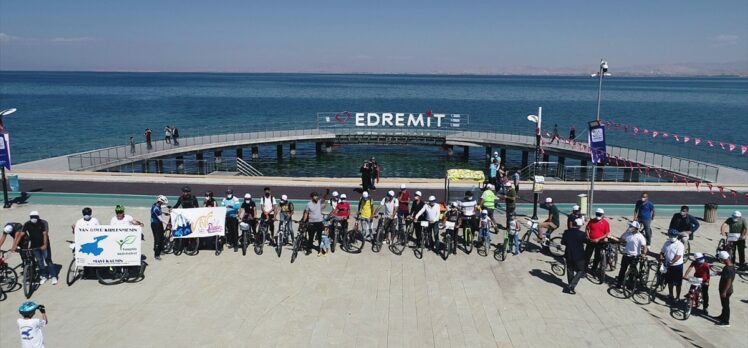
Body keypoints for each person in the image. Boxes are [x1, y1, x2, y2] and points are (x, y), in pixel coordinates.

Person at [17, 211, 57, 285]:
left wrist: (45, 244)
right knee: (39, 261)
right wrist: (15, 245)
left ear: (38, 217)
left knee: (48, 260)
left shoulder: (43, 223)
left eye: (35, 217)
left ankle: (54, 276)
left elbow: (45, 234)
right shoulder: (27, 224)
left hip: (44, 245)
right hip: (34, 246)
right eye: (32, 217)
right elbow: (21, 234)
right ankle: (44, 275)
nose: (33, 218)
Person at [615, 221, 648, 287]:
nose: (630, 228)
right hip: (626, 254)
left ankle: (630, 285)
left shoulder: (640, 236)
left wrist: (643, 254)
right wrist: (625, 232)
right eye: (630, 226)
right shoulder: (627, 233)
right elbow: (621, 239)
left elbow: (645, 246)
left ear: (636, 228)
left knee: (632, 272)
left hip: (634, 256)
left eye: (631, 227)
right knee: (622, 270)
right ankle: (619, 283)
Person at [562, 218, 587, 294]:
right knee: (581, 270)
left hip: (569, 254)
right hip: (579, 255)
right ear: (579, 226)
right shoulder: (582, 234)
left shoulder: (566, 232)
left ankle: (570, 285)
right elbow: (586, 241)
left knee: (570, 270)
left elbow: (563, 242)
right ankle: (571, 285)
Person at [660, 228, 686, 304]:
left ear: (677, 236)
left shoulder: (680, 245)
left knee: (678, 283)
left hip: (677, 266)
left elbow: (678, 256)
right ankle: (671, 294)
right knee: (669, 281)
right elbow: (662, 251)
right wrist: (661, 257)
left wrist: (671, 263)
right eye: (671, 235)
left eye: (674, 236)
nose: (672, 237)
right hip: (668, 265)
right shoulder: (667, 243)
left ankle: (677, 297)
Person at [585, 208, 610, 273]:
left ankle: (593, 269)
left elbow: (607, 234)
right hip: (590, 241)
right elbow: (587, 229)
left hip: (600, 242)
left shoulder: (606, 223)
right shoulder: (592, 221)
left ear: (603, 215)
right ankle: (584, 270)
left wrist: (598, 239)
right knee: (587, 256)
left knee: (597, 257)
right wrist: (588, 236)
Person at [713, 250, 734, 327]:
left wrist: (724, 291)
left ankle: (726, 322)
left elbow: (729, 281)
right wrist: (720, 273)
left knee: (726, 305)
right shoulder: (730, 266)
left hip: (726, 290)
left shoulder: (728, 269)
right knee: (724, 304)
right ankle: (722, 316)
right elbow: (727, 275)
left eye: (721, 259)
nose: (721, 261)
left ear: (724, 259)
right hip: (724, 289)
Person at [150, 196, 170, 260]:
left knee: (162, 237)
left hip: (159, 223)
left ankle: (161, 250)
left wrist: (167, 207)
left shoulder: (157, 205)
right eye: (163, 202)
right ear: (160, 201)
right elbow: (161, 219)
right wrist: (168, 223)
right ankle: (156, 254)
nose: (164, 204)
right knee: (157, 239)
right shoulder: (156, 208)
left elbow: (161, 207)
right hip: (155, 224)